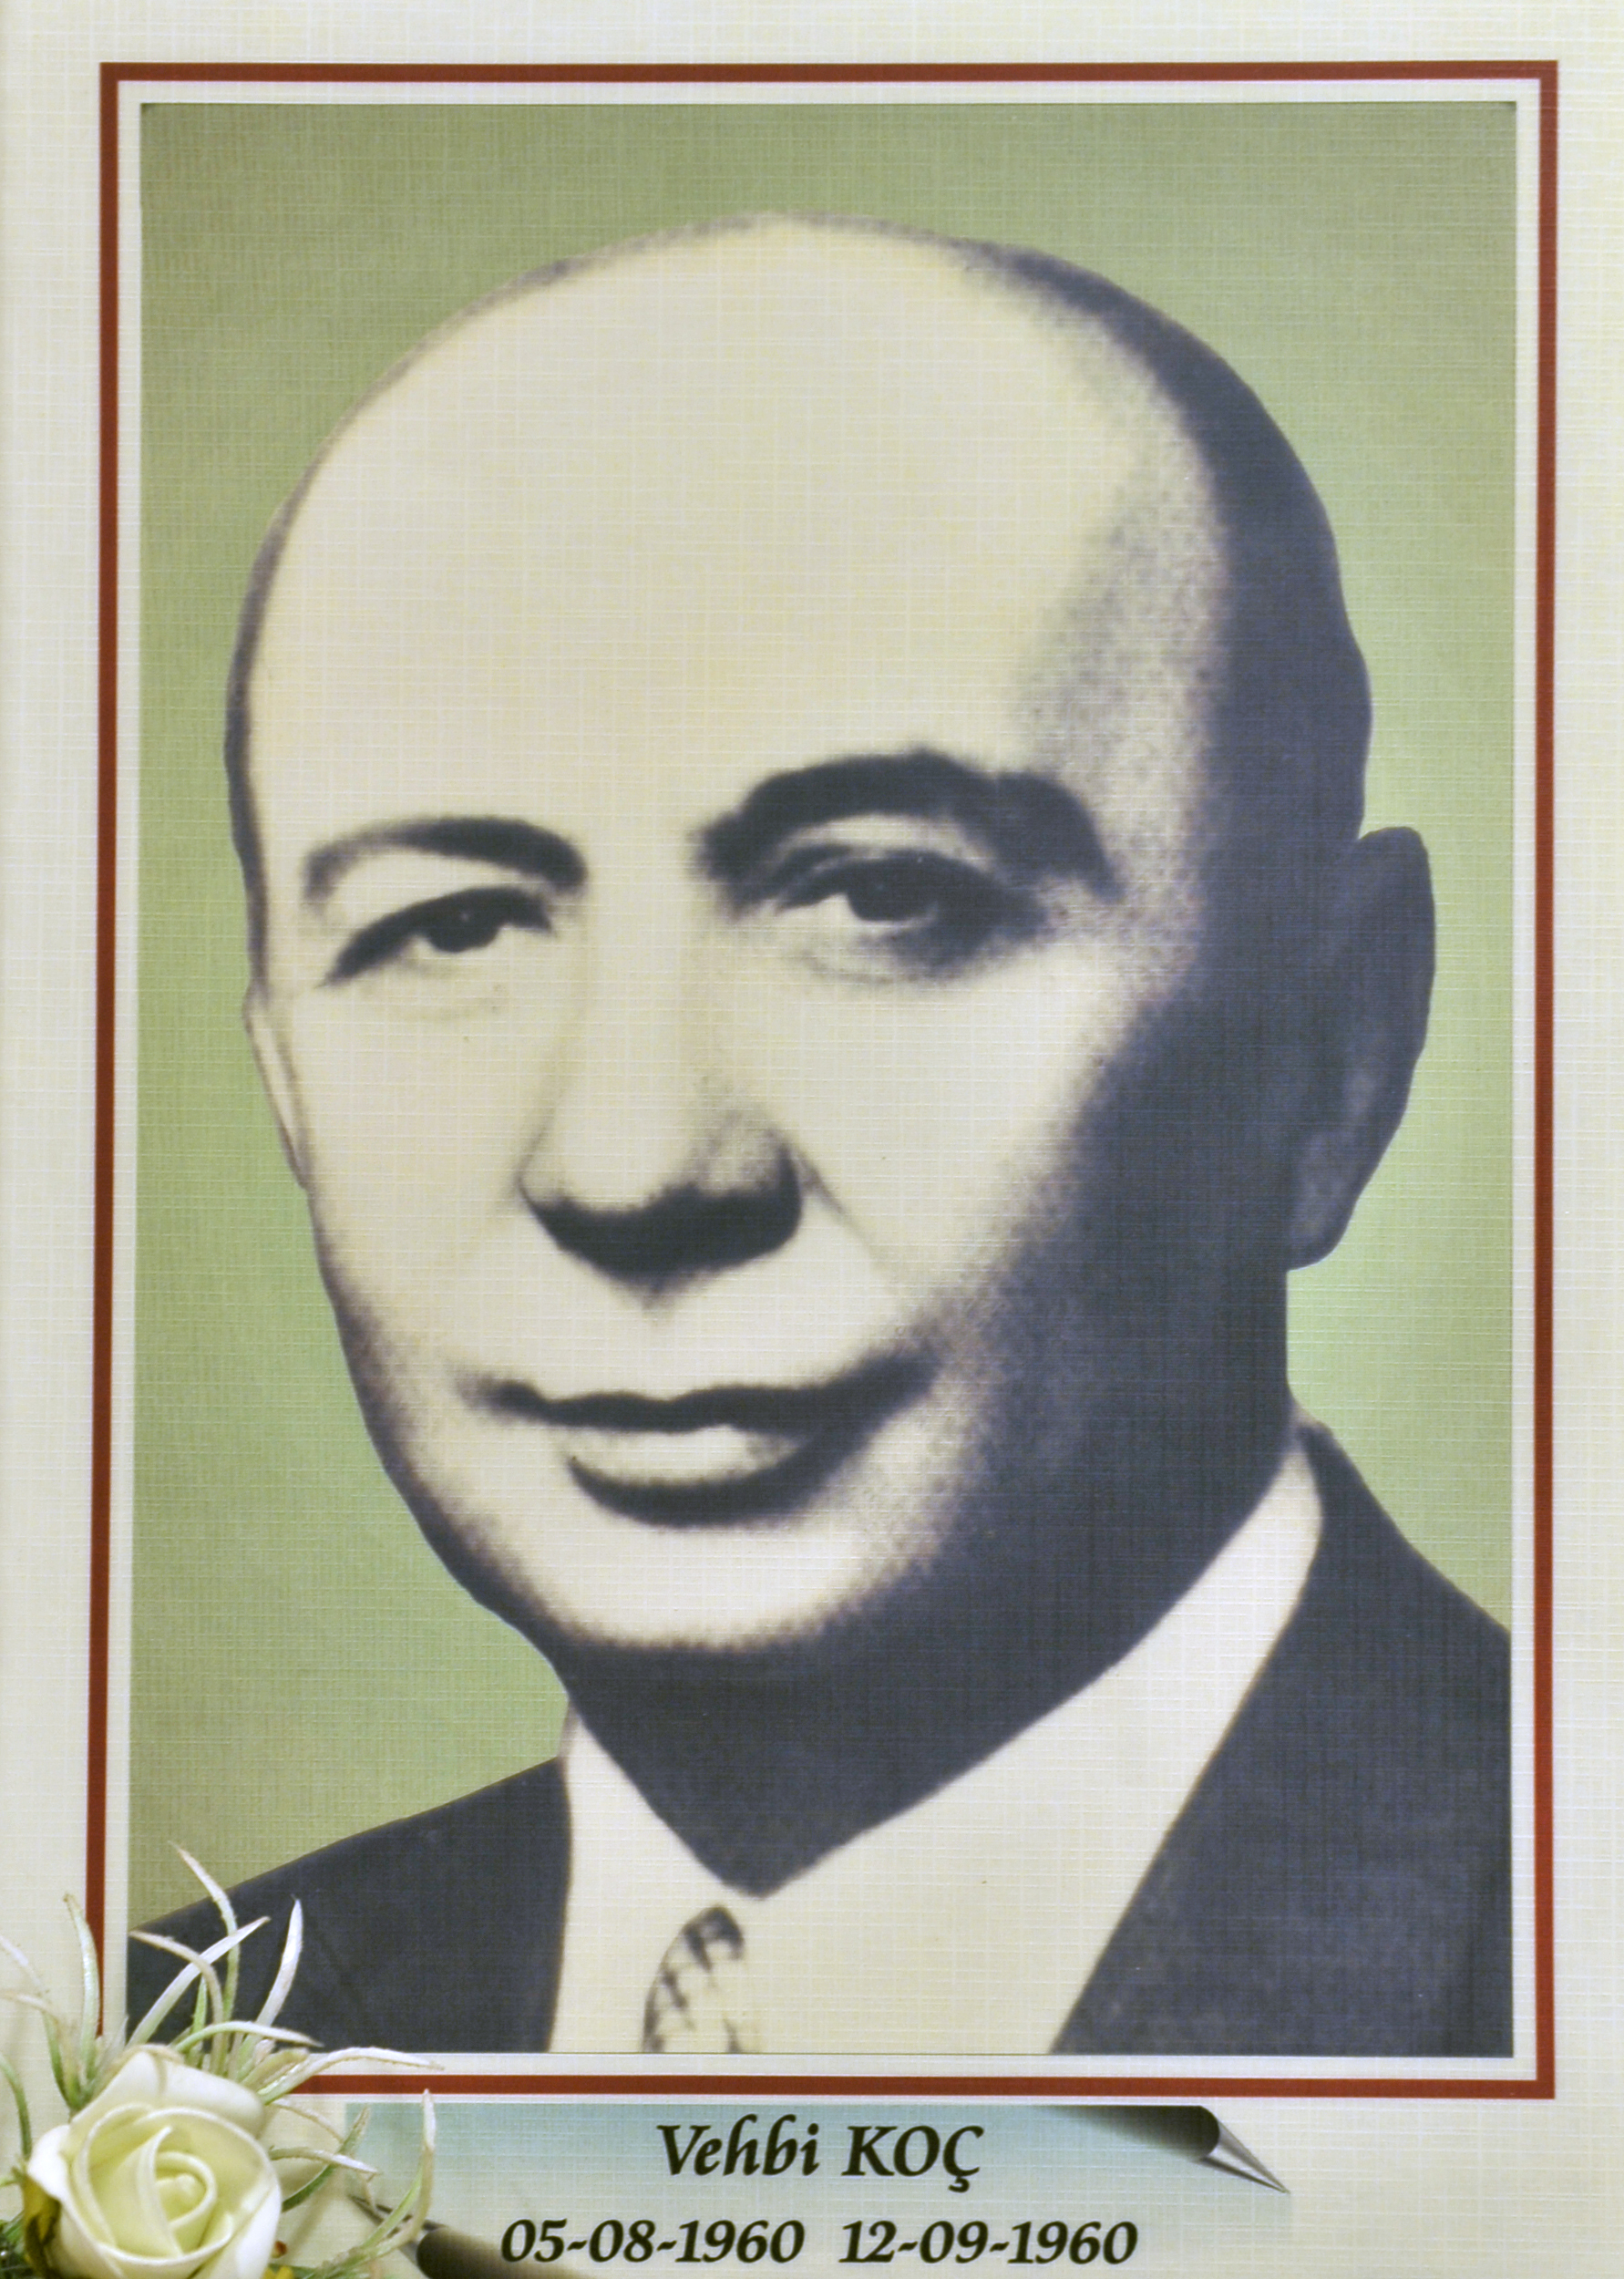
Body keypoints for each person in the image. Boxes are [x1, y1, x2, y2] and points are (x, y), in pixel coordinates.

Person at [128, 214, 1509, 2057]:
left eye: (884, 897)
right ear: (286, 1079)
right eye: (449, 926)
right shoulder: (165, 2046)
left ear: (1332, 1054)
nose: (632, 1167)